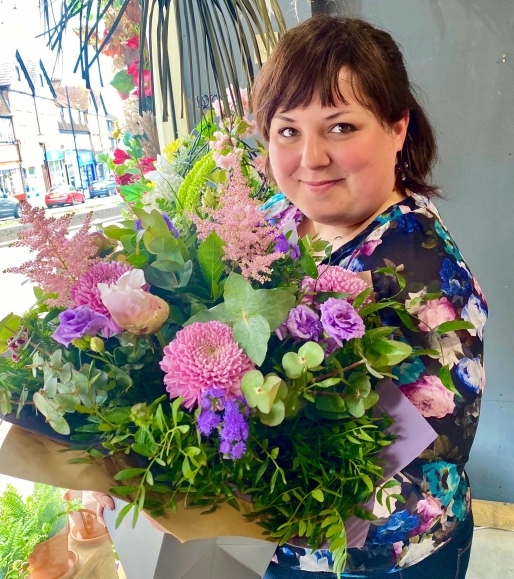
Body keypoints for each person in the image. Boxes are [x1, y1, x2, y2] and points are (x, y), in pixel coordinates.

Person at [251, 15, 486, 579]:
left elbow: (422, 452)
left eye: (340, 127)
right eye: (288, 130)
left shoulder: (425, 276)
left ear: (397, 127)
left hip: (381, 557)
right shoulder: (276, 221)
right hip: (277, 539)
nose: (310, 158)